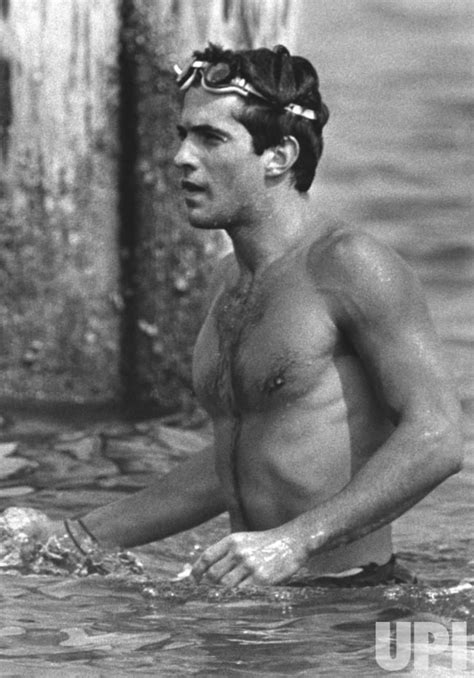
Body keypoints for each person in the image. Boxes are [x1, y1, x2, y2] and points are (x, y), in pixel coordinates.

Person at [4, 44, 462, 587]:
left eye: (211, 138)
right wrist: (75, 536)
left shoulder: (349, 265)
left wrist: (293, 542)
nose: (181, 157)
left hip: (347, 605)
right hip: (254, 603)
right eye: (183, 135)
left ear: (279, 156)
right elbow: (240, 456)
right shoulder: (227, 280)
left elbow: (438, 435)